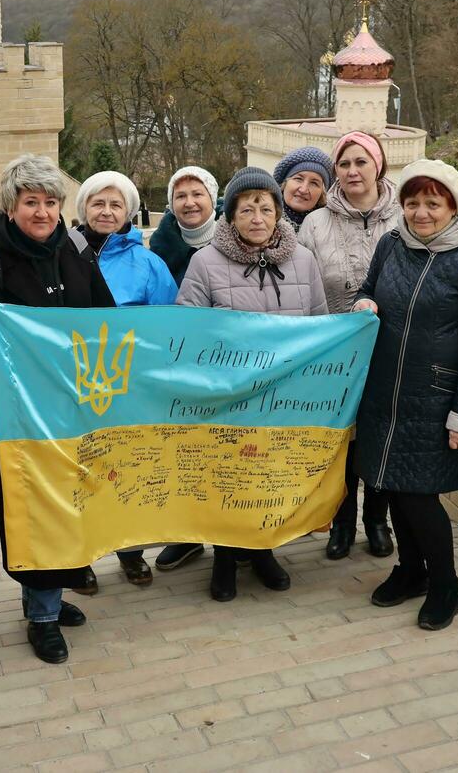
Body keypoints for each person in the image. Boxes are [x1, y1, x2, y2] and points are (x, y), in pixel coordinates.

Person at [0, 154, 116, 665]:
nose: (42, 212)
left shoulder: (77, 249)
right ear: (11, 206)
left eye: (50, 202)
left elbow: (108, 322)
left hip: (77, 408)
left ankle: (51, 596)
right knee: (33, 506)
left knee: (75, 498)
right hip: (18, 416)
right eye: (31, 201)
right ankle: (41, 614)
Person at [352, 160, 458, 631]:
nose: (420, 213)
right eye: (412, 202)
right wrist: (363, 302)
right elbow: (368, 290)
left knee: (419, 495)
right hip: (385, 392)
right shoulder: (391, 243)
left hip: (437, 398)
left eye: (432, 203)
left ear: (454, 205)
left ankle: (446, 585)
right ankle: (410, 571)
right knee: (393, 487)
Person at [177, 167, 328, 601]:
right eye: (247, 209)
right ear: (231, 215)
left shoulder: (303, 260)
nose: (257, 217)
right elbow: (189, 329)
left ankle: (263, 550)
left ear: (279, 212)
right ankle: (225, 557)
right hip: (230, 398)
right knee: (228, 476)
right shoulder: (205, 262)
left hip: (285, 398)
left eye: (266, 208)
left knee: (271, 476)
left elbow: (319, 324)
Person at [72, 170, 179, 591]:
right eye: (98, 203)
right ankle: (79, 557)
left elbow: (169, 324)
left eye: (116, 204)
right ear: (83, 208)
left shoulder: (148, 263)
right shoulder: (64, 254)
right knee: (79, 471)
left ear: (129, 213)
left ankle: (130, 551)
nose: (106, 211)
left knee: (127, 471)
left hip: (131, 388)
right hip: (76, 386)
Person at [299, 131, 397, 562]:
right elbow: (301, 286)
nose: (352, 171)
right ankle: (341, 521)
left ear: (378, 165)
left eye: (361, 162)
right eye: (344, 164)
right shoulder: (316, 223)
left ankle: (377, 519)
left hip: (392, 348)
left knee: (380, 435)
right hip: (334, 353)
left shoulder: (403, 218)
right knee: (341, 440)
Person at [147, 165, 220, 572]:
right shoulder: (158, 249)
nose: (189, 203)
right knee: (183, 453)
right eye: (181, 196)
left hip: (228, 364)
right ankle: (187, 536)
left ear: (213, 198)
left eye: (197, 194)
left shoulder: (236, 238)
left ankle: (237, 539)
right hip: (178, 365)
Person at [272, 146, 333, 231]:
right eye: (298, 179)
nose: (303, 190)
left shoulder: (330, 229)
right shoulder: (262, 219)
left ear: (322, 194)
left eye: (314, 183)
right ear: (285, 183)